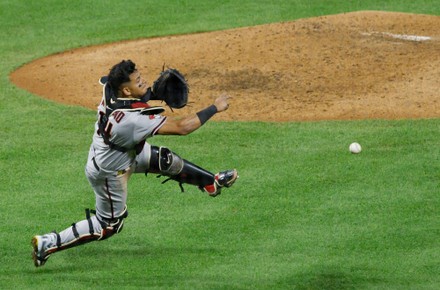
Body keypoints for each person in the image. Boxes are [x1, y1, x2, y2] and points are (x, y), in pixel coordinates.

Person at [31, 60, 238, 267]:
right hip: (110, 171)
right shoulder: (130, 121)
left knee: (163, 159)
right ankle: (48, 243)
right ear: (127, 90)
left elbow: (137, 96)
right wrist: (215, 107)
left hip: (117, 151)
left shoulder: (112, 89)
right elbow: (182, 127)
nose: (144, 82)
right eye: (138, 81)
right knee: (109, 225)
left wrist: (152, 93)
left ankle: (211, 182)